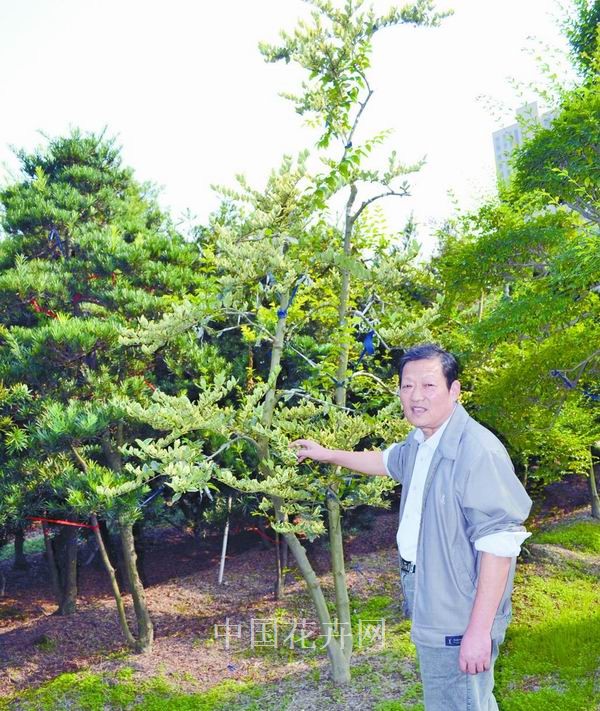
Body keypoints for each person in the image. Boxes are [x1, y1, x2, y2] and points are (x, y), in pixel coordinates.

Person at [292, 343, 532, 711]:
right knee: (461, 700)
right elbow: (386, 461)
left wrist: (478, 631)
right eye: (407, 386)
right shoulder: (423, 441)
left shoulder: (476, 451)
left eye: (429, 385)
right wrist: (327, 454)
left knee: (458, 702)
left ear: (454, 390)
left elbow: (500, 546)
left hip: (458, 611)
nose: (416, 396)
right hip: (431, 596)